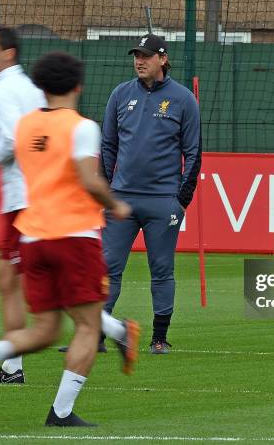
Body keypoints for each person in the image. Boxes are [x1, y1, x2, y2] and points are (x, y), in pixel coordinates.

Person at [0, 51, 139, 426]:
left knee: (44, 330)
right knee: (88, 327)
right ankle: (61, 412)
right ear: (78, 86)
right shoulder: (82, 127)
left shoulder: (26, 126)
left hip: (33, 237)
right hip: (74, 235)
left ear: (40, 88)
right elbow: (88, 179)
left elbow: (24, 162)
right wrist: (116, 205)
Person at [101, 34, 202, 354]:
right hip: (121, 198)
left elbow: (194, 152)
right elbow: (108, 145)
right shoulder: (120, 94)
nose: (139, 61)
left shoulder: (184, 99)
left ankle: (160, 337)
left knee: (161, 269)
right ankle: (97, 333)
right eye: (136, 55)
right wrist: (107, 191)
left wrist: (181, 199)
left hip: (163, 201)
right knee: (107, 266)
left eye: (145, 55)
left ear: (162, 59)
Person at [0, 24, 46, 383]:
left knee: (9, 281)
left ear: (8, 53)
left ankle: (115, 329)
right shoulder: (30, 89)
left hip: (23, 198)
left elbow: (15, 142)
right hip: (40, 193)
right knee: (24, 279)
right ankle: (12, 365)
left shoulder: (2, 92)